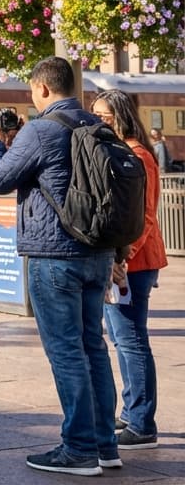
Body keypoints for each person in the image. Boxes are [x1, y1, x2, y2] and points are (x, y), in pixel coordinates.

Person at [0, 57, 119, 475]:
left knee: (65, 350)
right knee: (93, 346)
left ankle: (78, 449)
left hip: (55, 255)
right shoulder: (97, 125)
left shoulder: (40, 130)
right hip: (98, 252)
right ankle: (105, 445)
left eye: (31, 91)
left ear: (42, 88)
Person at [92, 89, 167, 451]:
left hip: (133, 263)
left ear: (119, 117)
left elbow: (145, 216)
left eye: (103, 116)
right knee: (122, 339)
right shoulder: (123, 151)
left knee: (132, 339)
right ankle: (131, 410)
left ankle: (141, 423)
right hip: (122, 261)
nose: (96, 121)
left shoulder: (139, 155)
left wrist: (122, 258)